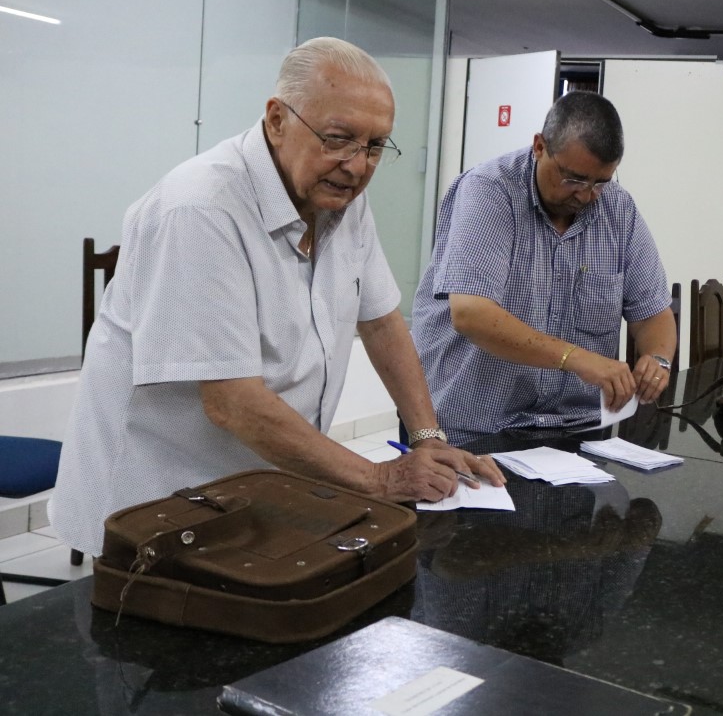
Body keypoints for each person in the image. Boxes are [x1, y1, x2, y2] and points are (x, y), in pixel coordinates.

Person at [51, 37, 503, 558]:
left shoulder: (339, 195)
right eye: (338, 138)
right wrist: (379, 480)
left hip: (256, 487)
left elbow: (380, 322)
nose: (357, 166)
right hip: (157, 496)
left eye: (376, 146)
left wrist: (428, 436)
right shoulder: (199, 210)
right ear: (276, 120)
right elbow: (232, 402)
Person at [411, 91, 677, 440]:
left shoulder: (618, 209)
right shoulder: (489, 192)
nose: (585, 195)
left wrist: (658, 361)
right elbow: (471, 314)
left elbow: (653, 313)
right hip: (472, 426)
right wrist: (577, 358)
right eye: (574, 179)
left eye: (600, 183)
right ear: (539, 146)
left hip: (575, 427)